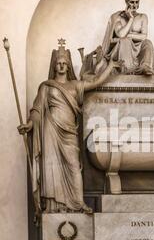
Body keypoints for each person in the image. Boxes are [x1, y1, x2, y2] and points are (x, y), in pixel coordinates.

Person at [18, 40, 119, 214]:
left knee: (73, 166)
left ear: (69, 65)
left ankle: (78, 203)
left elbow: (96, 82)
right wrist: (29, 124)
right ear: (54, 66)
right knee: (51, 167)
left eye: (65, 63)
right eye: (59, 63)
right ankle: (53, 206)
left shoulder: (75, 85)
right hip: (51, 131)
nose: (62, 66)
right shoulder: (46, 87)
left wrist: (111, 66)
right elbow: (37, 109)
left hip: (69, 133)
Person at [101, 0, 154, 75]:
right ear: (127, 2)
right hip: (123, 48)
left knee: (147, 43)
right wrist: (131, 19)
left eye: (137, 2)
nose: (134, 5)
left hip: (139, 47)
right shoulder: (118, 17)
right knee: (125, 41)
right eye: (132, 2)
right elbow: (121, 35)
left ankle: (145, 66)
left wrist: (129, 35)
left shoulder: (143, 17)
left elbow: (144, 36)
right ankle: (128, 69)